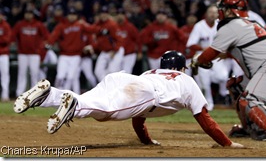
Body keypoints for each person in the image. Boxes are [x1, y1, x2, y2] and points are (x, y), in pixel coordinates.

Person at [13, 50, 244, 149]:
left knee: (91, 102)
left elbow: (138, 118)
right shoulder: (186, 80)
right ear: (180, 67)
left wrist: (146, 141)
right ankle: (74, 106)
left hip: (123, 78)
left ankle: (49, 94)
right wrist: (227, 143)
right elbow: (205, 119)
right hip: (145, 92)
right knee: (105, 112)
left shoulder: (150, 72)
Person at [191, 0, 266, 142]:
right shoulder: (249, 24)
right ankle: (250, 127)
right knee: (235, 85)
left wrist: (197, 61)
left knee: (249, 99)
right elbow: (242, 50)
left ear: (230, 10)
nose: (220, 11)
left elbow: (211, 53)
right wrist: (218, 56)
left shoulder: (231, 26)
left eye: (223, 8)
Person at [186, 5, 241, 110]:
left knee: (223, 76)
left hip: (216, 57)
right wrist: (203, 48)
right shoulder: (199, 26)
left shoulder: (220, 25)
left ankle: (222, 93)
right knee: (204, 84)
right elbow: (190, 44)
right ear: (206, 14)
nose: (212, 14)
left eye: (214, 12)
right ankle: (209, 104)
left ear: (218, 14)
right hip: (202, 57)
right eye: (210, 12)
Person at [11, 9, 49, 97]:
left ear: (33, 15)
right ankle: (19, 94)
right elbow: (12, 36)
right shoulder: (20, 24)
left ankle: (34, 95)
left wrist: (41, 48)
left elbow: (47, 37)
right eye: (27, 13)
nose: (28, 15)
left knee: (34, 74)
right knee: (21, 73)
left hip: (34, 54)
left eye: (30, 13)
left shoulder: (38, 24)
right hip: (22, 54)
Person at [0, 9, 12, 101]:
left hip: (3, 54)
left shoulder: (6, 26)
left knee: (5, 75)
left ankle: (5, 95)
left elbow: (7, 40)